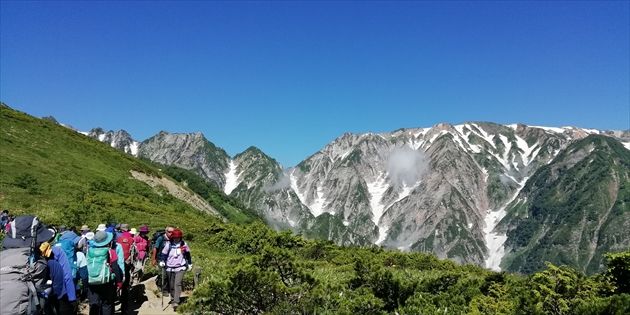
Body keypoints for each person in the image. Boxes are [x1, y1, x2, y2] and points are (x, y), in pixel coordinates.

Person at [87, 230, 122, 315]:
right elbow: (115, 268)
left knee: (94, 305)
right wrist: (119, 282)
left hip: (92, 282)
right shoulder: (111, 252)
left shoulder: (89, 251)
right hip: (107, 282)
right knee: (107, 304)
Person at [40, 242, 77, 314]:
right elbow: (67, 275)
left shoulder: (30, 252)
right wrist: (72, 298)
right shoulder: (57, 251)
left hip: (41, 293)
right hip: (59, 292)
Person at [159, 229, 192, 311]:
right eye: (175, 237)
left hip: (181, 267)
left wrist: (190, 264)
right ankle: (173, 299)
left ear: (180, 237)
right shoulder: (168, 244)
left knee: (177, 283)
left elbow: (188, 254)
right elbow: (164, 254)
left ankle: (176, 302)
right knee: (172, 285)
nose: (176, 239)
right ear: (172, 237)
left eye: (178, 237)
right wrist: (162, 261)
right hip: (170, 267)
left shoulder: (184, 244)